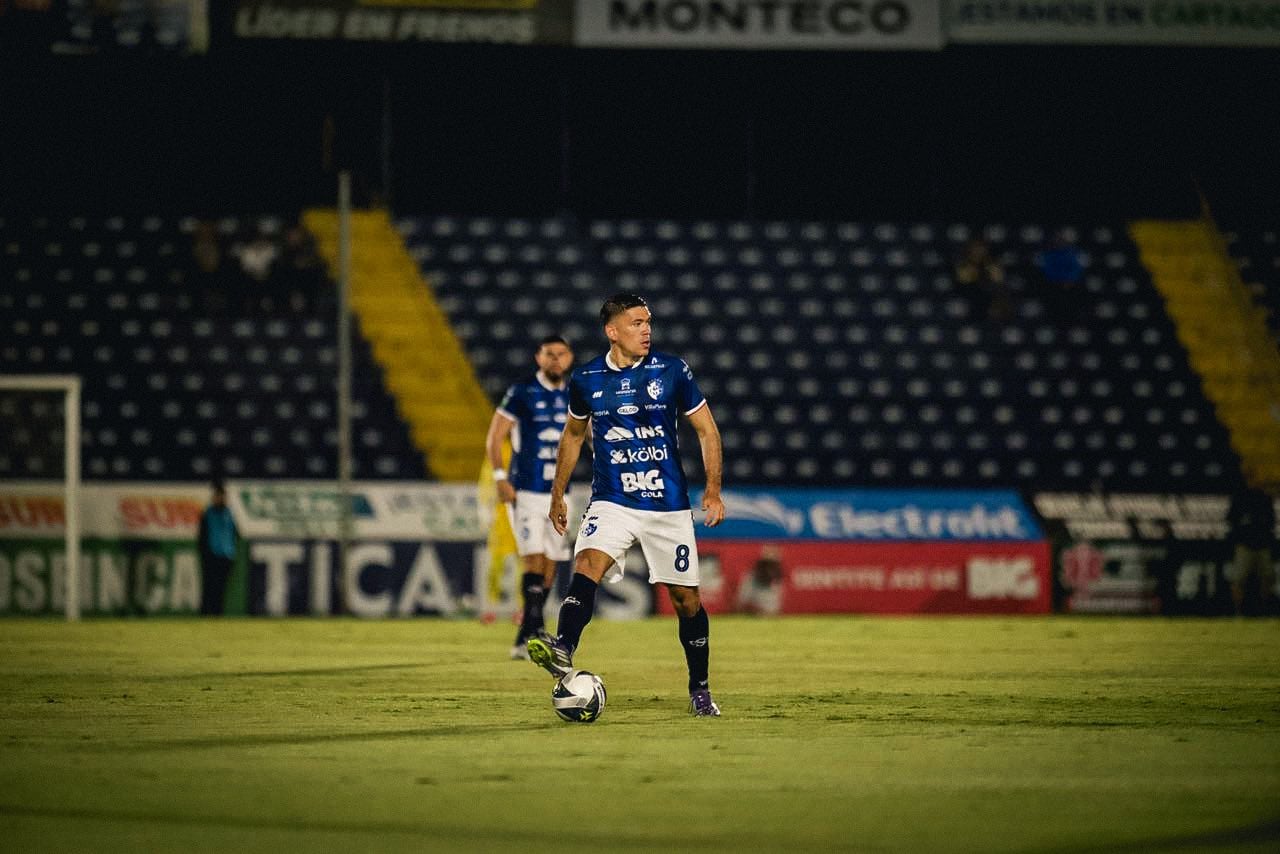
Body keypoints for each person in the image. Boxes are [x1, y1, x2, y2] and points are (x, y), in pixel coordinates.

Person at [528, 293, 726, 717]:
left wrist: (712, 490)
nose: (646, 330)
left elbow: (707, 431)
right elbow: (574, 437)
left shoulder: (672, 371)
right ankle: (563, 647)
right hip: (612, 499)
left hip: (667, 504)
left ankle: (700, 688)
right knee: (587, 565)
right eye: (636, 323)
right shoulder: (586, 380)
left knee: (686, 601)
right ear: (612, 331)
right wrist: (557, 493)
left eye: (648, 322)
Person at [484, 335, 575, 659]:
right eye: (549, 354)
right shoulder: (521, 392)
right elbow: (495, 436)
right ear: (538, 357)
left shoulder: (575, 393)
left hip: (562, 493)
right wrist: (499, 477)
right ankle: (534, 629)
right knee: (533, 557)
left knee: (550, 562)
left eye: (561, 354)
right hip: (526, 489)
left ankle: (528, 633)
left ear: (569, 358)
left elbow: (588, 437)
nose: (555, 360)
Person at [1226, 474, 1277, 616]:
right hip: (1244, 546)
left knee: (1267, 578)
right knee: (1238, 580)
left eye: (1256, 479)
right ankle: (1237, 612)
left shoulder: (1265, 498)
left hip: (1262, 545)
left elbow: (1271, 522)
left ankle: (1265, 609)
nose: (1254, 482)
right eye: (1251, 479)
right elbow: (1231, 520)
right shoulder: (1240, 498)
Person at [197, 479, 238, 615]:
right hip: (211, 555)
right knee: (208, 586)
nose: (220, 498)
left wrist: (232, 553)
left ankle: (217, 613)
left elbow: (235, 534)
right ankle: (205, 613)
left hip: (226, 555)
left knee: (221, 588)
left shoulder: (229, 514)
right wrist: (204, 554)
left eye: (222, 496)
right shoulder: (207, 514)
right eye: (218, 496)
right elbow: (202, 536)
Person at [954, 237, 1011, 322]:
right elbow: (963, 281)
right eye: (975, 248)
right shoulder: (963, 264)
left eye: (981, 248)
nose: (978, 251)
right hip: (968, 297)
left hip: (989, 298)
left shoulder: (992, 264)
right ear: (970, 250)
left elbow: (998, 281)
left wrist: (988, 269)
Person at [736, 544, 784, 616]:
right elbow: (740, 605)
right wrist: (755, 610)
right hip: (752, 620)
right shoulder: (750, 579)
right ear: (762, 565)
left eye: (773, 565)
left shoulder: (778, 581)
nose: (770, 569)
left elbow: (776, 609)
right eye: (767, 564)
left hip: (771, 621)